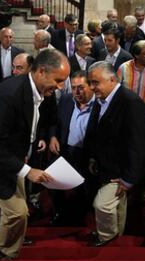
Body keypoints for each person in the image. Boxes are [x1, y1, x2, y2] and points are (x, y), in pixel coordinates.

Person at [0, 49, 69, 259]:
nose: (60, 86)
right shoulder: (9, 96)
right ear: (41, 72)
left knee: (20, 210)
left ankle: (11, 240)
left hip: (11, 157)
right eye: (58, 80)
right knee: (18, 211)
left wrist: (24, 154)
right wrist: (27, 170)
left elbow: (23, 128)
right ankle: (5, 250)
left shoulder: (36, 90)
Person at [85, 61, 145, 247]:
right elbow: (98, 132)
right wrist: (93, 157)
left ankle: (106, 236)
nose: (92, 87)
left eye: (95, 82)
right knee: (118, 205)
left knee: (102, 204)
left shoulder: (131, 102)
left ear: (112, 79)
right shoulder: (101, 99)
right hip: (105, 165)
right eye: (90, 82)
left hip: (120, 170)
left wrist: (129, 178)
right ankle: (117, 239)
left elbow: (139, 143)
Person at [48, 70, 98, 226]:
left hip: (88, 154)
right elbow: (55, 121)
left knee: (85, 189)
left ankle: (82, 216)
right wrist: (53, 136)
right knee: (54, 183)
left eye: (81, 87)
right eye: (74, 87)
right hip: (65, 150)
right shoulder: (66, 99)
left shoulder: (100, 104)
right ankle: (58, 211)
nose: (77, 91)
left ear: (91, 86)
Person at [0, 27, 25, 91]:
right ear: (0, 38)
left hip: (14, 86)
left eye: (10, 37)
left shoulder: (19, 52)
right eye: (6, 37)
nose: (8, 39)